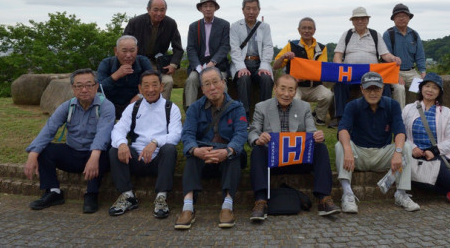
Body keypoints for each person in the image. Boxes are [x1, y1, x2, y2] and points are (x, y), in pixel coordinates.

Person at [248, 74, 340, 221]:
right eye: (282, 88)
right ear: (275, 88)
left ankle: (324, 199)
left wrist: (317, 135)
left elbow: (311, 130)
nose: (286, 94)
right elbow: (253, 131)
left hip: (297, 159)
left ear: (295, 91)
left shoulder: (304, 107)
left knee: (320, 148)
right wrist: (258, 139)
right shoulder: (261, 107)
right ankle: (261, 201)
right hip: (272, 161)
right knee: (257, 151)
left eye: (291, 90)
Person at [24, 69, 115, 213]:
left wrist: (94, 156)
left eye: (89, 85)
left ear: (96, 86)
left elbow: (103, 134)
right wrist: (33, 154)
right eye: (79, 86)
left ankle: (91, 194)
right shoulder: (67, 106)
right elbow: (49, 128)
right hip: (73, 152)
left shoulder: (106, 106)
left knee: (105, 151)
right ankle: (53, 192)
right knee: (44, 150)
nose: (84, 89)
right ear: (73, 88)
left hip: (95, 154)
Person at [335, 72, 420, 213]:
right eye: (369, 89)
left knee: (405, 146)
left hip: (383, 153)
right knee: (340, 146)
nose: (373, 93)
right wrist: (348, 149)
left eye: (377, 89)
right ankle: (347, 193)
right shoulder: (352, 106)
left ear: (383, 89)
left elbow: (400, 131)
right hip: (359, 155)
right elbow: (343, 129)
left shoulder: (392, 105)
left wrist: (398, 152)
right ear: (362, 89)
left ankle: (401, 193)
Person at [174, 67, 248, 230]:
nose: (212, 87)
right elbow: (187, 134)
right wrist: (195, 150)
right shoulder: (194, 108)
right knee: (191, 156)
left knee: (235, 155)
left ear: (223, 83)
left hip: (227, 154)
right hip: (204, 155)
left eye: (215, 82)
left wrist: (227, 151)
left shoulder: (237, 107)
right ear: (202, 89)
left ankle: (227, 206)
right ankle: (187, 207)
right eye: (207, 84)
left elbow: (241, 134)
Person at [108, 70, 182, 218]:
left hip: (159, 160)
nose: (151, 90)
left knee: (169, 149)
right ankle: (128, 195)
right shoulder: (133, 107)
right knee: (114, 149)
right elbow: (118, 129)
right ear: (140, 89)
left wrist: (155, 142)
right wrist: (122, 143)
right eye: (146, 86)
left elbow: (176, 134)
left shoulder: (170, 108)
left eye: (155, 85)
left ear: (161, 87)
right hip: (135, 158)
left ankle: (161, 197)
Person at [402, 72, 450, 208]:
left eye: (435, 88)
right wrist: (412, 147)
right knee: (409, 174)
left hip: (436, 154)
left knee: (436, 166)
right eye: (427, 86)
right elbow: (402, 134)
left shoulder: (446, 113)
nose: (430, 90)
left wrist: (435, 150)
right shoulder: (408, 109)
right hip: (414, 154)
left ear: (439, 92)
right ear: (421, 88)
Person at [333, 7, 401, 123]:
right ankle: (341, 117)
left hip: (371, 73)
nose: (360, 21)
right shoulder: (347, 34)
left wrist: (393, 58)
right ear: (352, 21)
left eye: (363, 18)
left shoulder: (375, 34)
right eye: (357, 19)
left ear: (367, 20)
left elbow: (385, 54)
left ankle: (385, 115)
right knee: (339, 85)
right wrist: (339, 66)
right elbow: (338, 54)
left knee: (384, 86)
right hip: (350, 73)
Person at [273, 17, 334, 126]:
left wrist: (304, 76)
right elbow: (276, 66)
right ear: (299, 30)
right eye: (304, 28)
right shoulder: (291, 46)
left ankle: (319, 117)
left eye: (310, 28)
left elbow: (320, 69)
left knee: (328, 95)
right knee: (294, 97)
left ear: (314, 30)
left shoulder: (322, 48)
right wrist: (283, 57)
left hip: (315, 86)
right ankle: (297, 118)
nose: (307, 31)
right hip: (296, 86)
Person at [123, 0, 184, 100]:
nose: (159, 13)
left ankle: (162, 111)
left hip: (158, 64)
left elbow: (178, 48)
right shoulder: (135, 22)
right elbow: (123, 45)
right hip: (136, 63)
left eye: (162, 10)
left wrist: (173, 64)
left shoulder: (170, 24)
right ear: (148, 9)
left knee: (168, 81)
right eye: (155, 10)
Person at [229, 0, 274, 116]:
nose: (251, 12)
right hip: (242, 63)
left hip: (259, 62)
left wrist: (264, 66)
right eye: (248, 8)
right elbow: (234, 49)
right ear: (242, 9)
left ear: (259, 10)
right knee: (243, 78)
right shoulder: (235, 26)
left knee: (266, 78)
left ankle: (265, 115)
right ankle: (245, 115)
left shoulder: (265, 27)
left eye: (254, 9)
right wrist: (241, 67)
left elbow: (268, 47)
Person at [184, 0, 230, 108]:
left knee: (221, 82)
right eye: (205, 6)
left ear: (215, 8)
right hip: (199, 65)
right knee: (191, 80)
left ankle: (223, 110)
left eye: (211, 6)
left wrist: (213, 63)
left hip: (218, 65)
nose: (208, 9)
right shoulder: (194, 26)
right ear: (201, 9)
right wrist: (198, 67)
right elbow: (191, 48)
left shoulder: (224, 25)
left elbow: (225, 46)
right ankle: (191, 112)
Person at [383, 4, 427, 110]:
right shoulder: (388, 34)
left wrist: (423, 71)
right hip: (395, 71)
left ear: (409, 18)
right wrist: (396, 75)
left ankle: (423, 115)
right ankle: (401, 118)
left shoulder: (414, 34)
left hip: (411, 72)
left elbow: (420, 56)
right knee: (399, 89)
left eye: (404, 16)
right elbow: (386, 57)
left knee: (425, 87)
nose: (401, 18)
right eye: (398, 16)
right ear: (393, 19)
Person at [97, 35, 153, 118]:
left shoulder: (143, 62)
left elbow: (151, 83)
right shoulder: (107, 63)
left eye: (132, 50)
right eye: (124, 51)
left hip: (137, 104)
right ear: (116, 51)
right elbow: (98, 88)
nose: (128, 55)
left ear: (137, 50)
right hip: (111, 106)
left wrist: (140, 95)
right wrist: (115, 75)